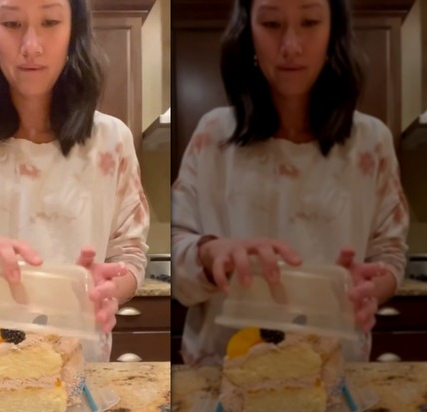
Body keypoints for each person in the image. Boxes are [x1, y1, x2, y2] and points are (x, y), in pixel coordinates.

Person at [0, 0, 149, 366]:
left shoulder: (112, 141)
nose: (31, 46)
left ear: (73, 33)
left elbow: (130, 254)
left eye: (50, 21)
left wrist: (110, 287)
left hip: (71, 368)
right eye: (12, 23)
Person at [172, 0, 409, 367]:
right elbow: (175, 254)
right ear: (248, 34)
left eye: (310, 22)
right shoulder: (213, 135)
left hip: (330, 365)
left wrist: (372, 287)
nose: (291, 46)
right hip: (223, 366)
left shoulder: (370, 142)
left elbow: (390, 254)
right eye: (271, 24)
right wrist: (209, 253)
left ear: (333, 34)